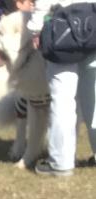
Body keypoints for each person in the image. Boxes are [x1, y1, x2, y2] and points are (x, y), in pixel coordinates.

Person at [29, 0, 96, 175]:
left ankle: (61, 162)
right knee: (93, 96)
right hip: (92, 20)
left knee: (62, 99)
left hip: (62, 26)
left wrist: (36, 28)